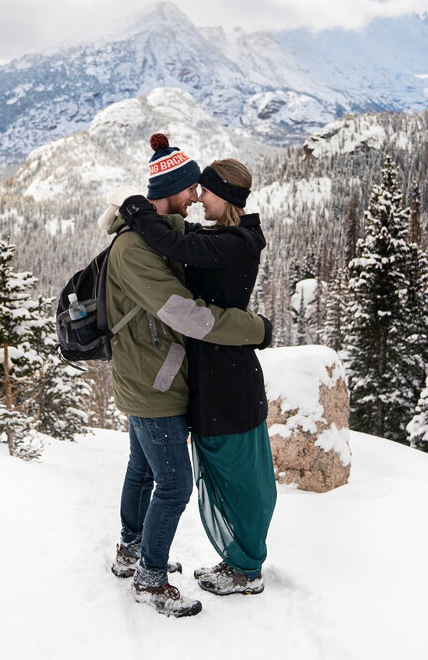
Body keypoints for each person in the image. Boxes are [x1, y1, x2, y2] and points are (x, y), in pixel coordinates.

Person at [100, 134, 272, 618]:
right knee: (174, 483)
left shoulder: (166, 232)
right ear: (174, 190)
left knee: (144, 469)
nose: (197, 196)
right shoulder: (136, 248)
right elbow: (187, 314)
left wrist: (144, 213)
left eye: (204, 188)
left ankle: (132, 553)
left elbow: (180, 241)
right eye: (191, 188)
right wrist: (255, 329)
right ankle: (150, 580)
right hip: (153, 382)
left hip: (152, 375)